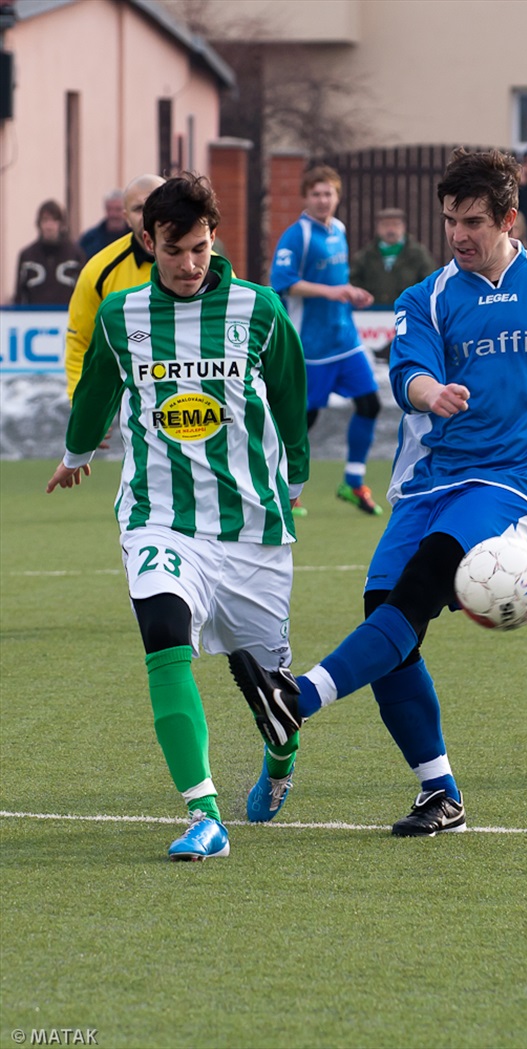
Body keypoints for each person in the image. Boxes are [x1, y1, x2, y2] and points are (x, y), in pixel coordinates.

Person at [230, 148, 527, 837]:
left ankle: (296, 698)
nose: (458, 234)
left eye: (472, 221)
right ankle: (440, 792)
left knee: (417, 589)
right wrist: (429, 391)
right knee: (386, 617)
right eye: (449, 220)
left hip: (516, 479)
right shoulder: (430, 296)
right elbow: (405, 373)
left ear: (508, 219)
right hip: (428, 480)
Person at [46, 173, 310, 861]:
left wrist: (299, 477)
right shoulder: (120, 316)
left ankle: (279, 762)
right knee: (164, 632)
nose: (190, 264)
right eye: (174, 250)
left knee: (274, 702)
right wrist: (76, 452)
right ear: (147, 242)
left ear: (214, 237)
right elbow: (97, 394)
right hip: (158, 515)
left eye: (200, 247)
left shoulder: (259, 309)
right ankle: (203, 811)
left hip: (252, 526)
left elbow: (289, 396)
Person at [269, 164, 383, 517]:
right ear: (306, 197)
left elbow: (338, 282)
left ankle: (352, 482)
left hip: (344, 340)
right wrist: (334, 292)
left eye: (328, 193)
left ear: (338, 196)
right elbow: (282, 282)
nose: (322, 199)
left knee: (370, 405)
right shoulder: (297, 235)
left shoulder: (339, 231)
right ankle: (286, 490)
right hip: (311, 346)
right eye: (316, 193)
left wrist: (348, 295)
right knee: (304, 420)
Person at [65, 174, 165, 400]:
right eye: (139, 209)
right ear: (126, 217)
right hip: (124, 402)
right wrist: (86, 404)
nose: (149, 215)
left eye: (156, 205)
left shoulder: (206, 265)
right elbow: (80, 340)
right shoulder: (99, 270)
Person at [350, 208, 436, 306]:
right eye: (385, 225)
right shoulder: (365, 256)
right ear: (378, 228)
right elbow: (353, 284)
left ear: (403, 227)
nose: (391, 229)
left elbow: (430, 283)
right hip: (373, 315)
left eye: (395, 224)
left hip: (409, 312)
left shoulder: (419, 255)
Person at [14, 200, 85, 306]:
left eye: (54, 220)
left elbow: (83, 291)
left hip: (68, 317)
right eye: (45, 220)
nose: (49, 226)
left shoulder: (75, 255)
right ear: (39, 224)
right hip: (34, 319)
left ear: (61, 224)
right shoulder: (27, 256)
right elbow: (19, 295)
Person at [79, 189, 129, 259]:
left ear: (126, 210)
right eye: (109, 209)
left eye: (118, 209)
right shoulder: (89, 239)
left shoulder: (136, 237)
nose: (113, 214)